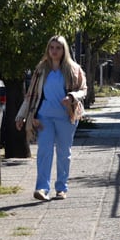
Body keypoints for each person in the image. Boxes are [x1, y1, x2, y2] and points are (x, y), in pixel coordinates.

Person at [15, 35, 87, 201]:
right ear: (48, 49)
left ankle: (61, 188)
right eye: (52, 47)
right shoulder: (41, 69)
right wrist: (21, 115)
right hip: (44, 117)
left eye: (58, 48)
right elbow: (31, 95)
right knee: (44, 152)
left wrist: (72, 96)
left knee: (64, 153)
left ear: (64, 50)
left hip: (66, 117)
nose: (54, 51)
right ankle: (41, 188)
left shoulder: (73, 69)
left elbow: (84, 90)